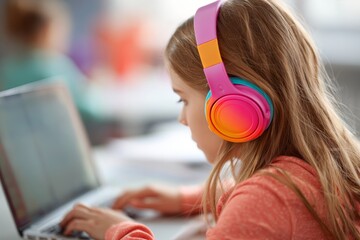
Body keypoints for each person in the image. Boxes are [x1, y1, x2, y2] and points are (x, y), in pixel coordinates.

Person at [60, 0, 360, 239]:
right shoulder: (325, 165)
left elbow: (263, 202)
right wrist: (185, 198)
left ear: (235, 106)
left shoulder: (264, 201)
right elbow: (271, 197)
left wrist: (121, 231)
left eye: (183, 99)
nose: (182, 118)